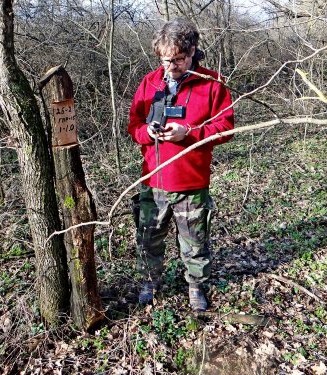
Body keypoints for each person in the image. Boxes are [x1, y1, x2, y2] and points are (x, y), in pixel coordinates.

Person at [127, 18, 234, 312]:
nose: (170, 66)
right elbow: (133, 125)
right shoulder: (150, 82)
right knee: (149, 239)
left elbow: (226, 128)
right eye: (164, 60)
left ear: (192, 52)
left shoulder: (212, 83)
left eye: (177, 59)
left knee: (195, 244)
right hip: (153, 180)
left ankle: (196, 286)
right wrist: (145, 134)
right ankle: (150, 282)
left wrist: (190, 133)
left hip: (192, 182)